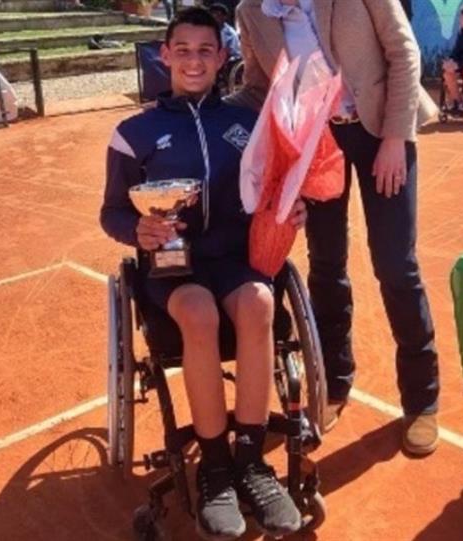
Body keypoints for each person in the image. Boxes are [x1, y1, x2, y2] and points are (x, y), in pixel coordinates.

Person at [100, 8, 307, 541]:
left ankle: (250, 461)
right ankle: (214, 467)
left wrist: (289, 207)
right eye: (183, 51)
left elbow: (269, 190)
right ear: (165, 56)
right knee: (198, 313)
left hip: (234, 259)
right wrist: (138, 229)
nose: (194, 61)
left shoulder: (246, 124)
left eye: (205, 51)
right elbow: (112, 213)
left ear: (223, 57)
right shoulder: (133, 133)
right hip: (173, 267)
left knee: (260, 303)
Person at [229, 0, 441, 456]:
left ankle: (422, 400)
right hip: (315, 145)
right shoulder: (252, 11)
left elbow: (403, 51)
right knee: (326, 265)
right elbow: (260, 88)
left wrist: (395, 137)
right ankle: (334, 383)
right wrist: (207, 107)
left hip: (381, 129)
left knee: (396, 265)